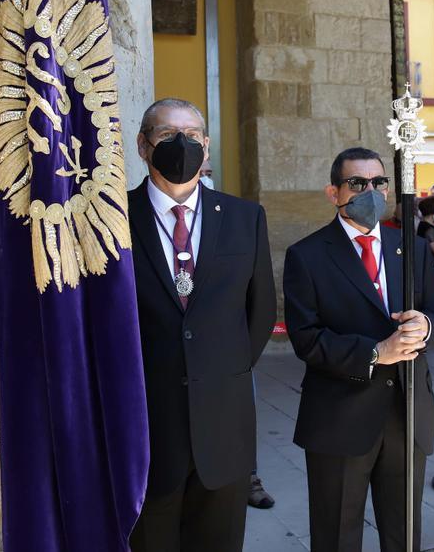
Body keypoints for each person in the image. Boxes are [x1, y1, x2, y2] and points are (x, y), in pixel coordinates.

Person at [283, 147, 434, 552]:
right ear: (333, 192)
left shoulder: (409, 246)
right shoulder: (306, 256)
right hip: (340, 417)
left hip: (406, 414)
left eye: (379, 183)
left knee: (403, 535)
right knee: (337, 536)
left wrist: (426, 326)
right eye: (357, 183)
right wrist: (376, 352)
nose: (370, 191)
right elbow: (306, 339)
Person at [127, 98, 276, 552]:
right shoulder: (112, 219)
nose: (182, 145)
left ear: (206, 147)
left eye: (192, 136)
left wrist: (219, 370)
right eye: (168, 135)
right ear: (143, 145)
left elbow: (262, 311)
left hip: (224, 429)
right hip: (147, 431)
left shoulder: (244, 218)